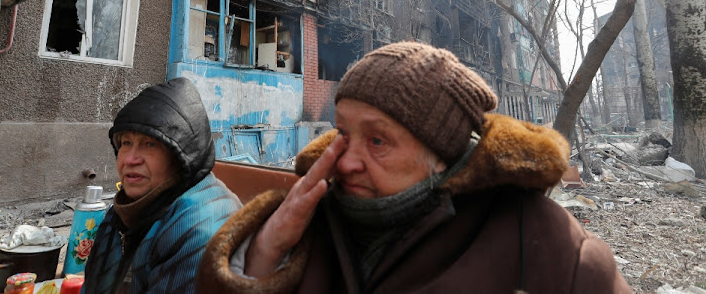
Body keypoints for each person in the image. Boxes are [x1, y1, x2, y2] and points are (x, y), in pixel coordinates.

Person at [197, 41, 632, 293]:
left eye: (378, 140)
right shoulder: (311, 223)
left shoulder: (543, 244)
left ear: (440, 153)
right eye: (343, 133)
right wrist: (267, 248)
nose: (345, 160)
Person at [82, 77, 241, 294]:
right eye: (126, 143)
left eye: (150, 144)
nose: (130, 159)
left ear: (182, 155)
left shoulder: (201, 228)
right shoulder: (127, 210)